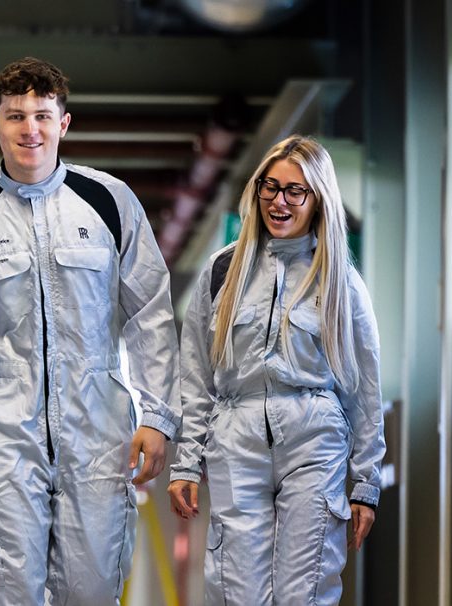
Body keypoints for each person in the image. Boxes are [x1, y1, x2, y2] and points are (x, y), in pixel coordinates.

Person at [0, 57, 178, 604]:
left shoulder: (109, 202)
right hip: (1, 436)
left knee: (93, 589)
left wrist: (157, 415)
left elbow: (150, 314)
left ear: (64, 122)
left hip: (98, 434)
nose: (29, 128)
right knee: (6, 592)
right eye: (15, 116)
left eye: (41, 114)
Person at [165, 136, 386, 605]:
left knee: (303, 590)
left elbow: (365, 385)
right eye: (271, 187)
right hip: (236, 440)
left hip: (314, 441)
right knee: (234, 591)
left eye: (295, 191)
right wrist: (186, 461)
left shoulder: (340, 280)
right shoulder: (223, 270)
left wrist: (365, 482)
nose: (279, 202)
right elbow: (196, 375)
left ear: (318, 200)